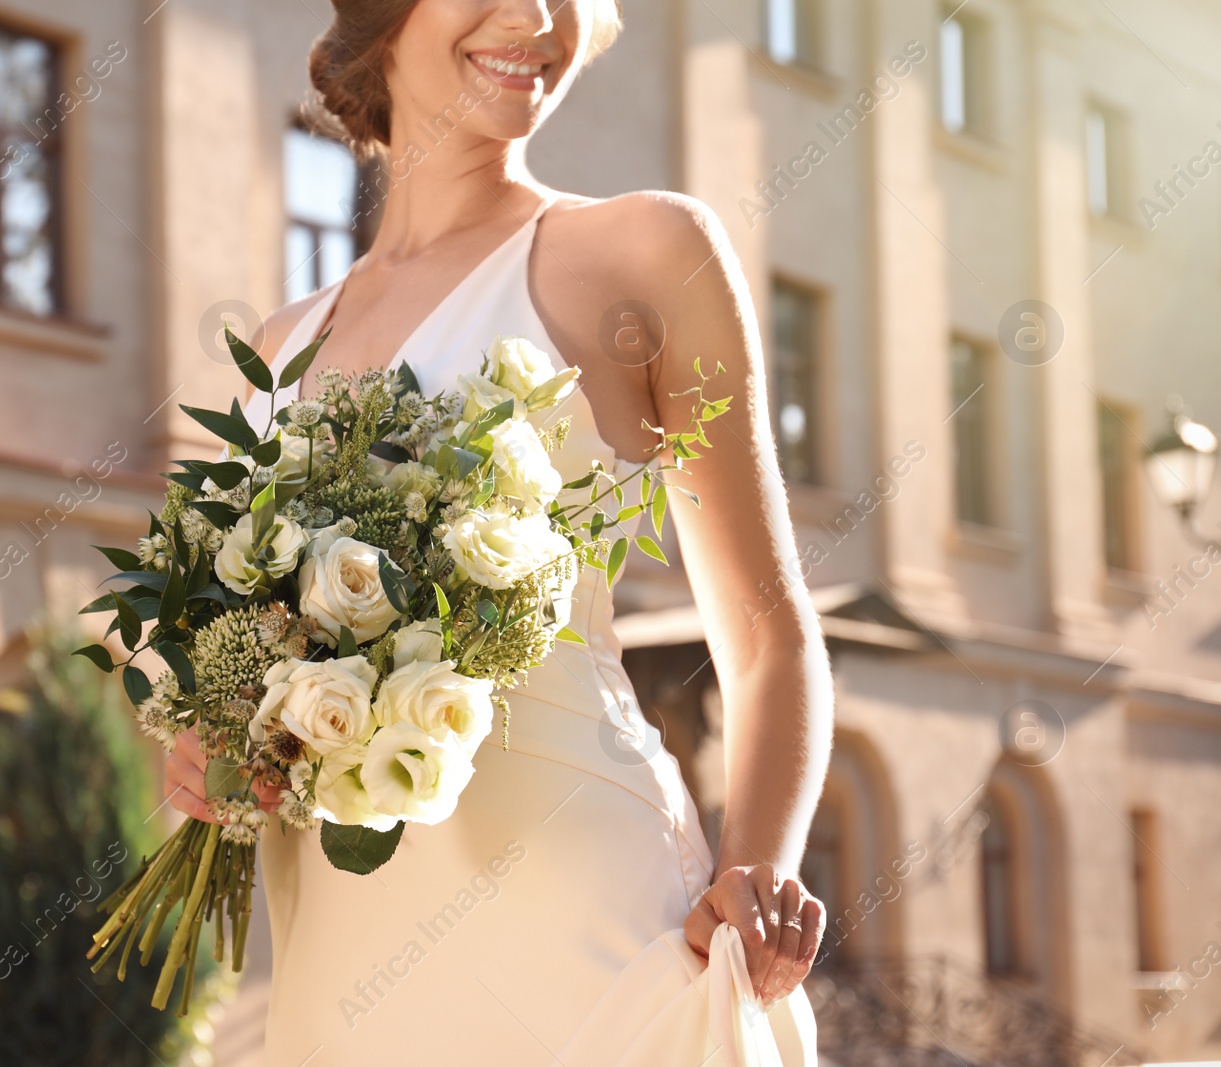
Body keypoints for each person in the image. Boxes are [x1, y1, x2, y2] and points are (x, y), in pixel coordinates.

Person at [166, 1, 835, 1061]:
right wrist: (211, 741)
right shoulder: (275, 348)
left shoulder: (647, 251)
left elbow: (767, 640)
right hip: (343, 966)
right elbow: (233, 673)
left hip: (595, 936)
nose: (535, 16)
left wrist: (752, 872)